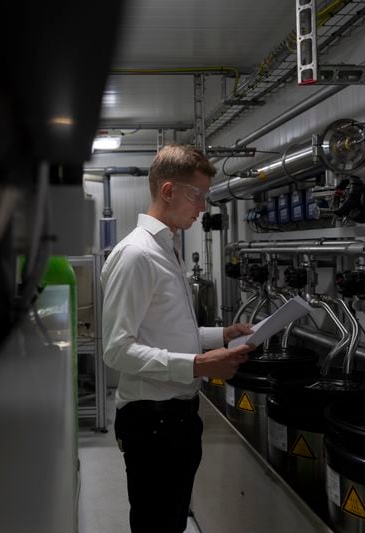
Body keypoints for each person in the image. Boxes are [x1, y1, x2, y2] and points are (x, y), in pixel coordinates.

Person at [101, 144, 255, 533]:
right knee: (157, 525)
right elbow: (118, 349)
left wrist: (220, 334)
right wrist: (199, 364)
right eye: (197, 195)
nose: (202, 207)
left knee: (170, 521)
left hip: (177, 417)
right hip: (153, 422)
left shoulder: (166, 248)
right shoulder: (137, 254)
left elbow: (165, 329)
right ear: (168, 191)